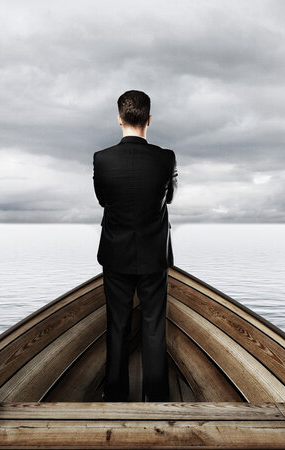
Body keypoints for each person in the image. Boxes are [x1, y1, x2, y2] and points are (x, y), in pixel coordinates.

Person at [93, 90, 178, 402]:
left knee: (116, 325)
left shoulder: (102, 160)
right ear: (149, 119)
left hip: (115, 254)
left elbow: (104, 200)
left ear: (119, 119)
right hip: (154, 255)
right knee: (154, 326)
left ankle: (115, 396)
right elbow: (168, 196)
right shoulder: (165, 158)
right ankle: (156, 398)